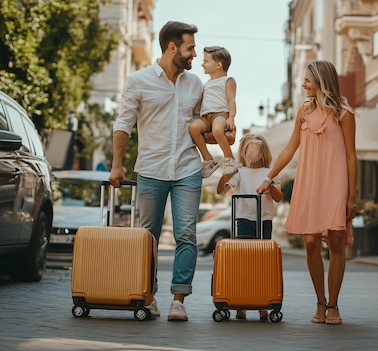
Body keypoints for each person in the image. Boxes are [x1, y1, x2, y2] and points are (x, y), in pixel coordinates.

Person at [108, 21, 203, 322]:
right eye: (190, 48)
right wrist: (116, 164)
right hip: (151, 168)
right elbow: (123, 125)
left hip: (187, 167)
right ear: (172, 47)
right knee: (148, 236)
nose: (195, 54)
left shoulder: (196, 84)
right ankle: (148, 296)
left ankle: (179, 300)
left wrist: (221, 131)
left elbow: (201, 127)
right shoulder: (138, 81)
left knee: (186, 234)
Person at [256, 60, 357, 325]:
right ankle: (320, 302)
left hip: (336, 184)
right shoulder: (303, 111)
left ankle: (334, 304)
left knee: (335, 241)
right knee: (310, 242)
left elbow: (351, 156)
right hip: (308, 183)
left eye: (308, 80)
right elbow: (290, 149)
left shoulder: (343, 114)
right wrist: (269, 177)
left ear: (322, 81)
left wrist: (351, 196)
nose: (303, 85)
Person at [217, 134, 282, 321]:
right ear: (244, 153)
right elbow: (221, 189)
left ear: (263, 152)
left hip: (264, 220)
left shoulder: (271, 173)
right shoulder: (240, 173)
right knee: (243, 261)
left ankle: (262, 303)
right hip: (244, 218)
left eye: (258, 150)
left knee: (262, 262)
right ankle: (241, 303)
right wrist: (227, 172)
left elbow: (278, 197)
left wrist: (270, 185)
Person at [189, 46, 237, 178]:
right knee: (193, 128)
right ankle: (208, 159)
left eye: (206, 61)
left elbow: (231, 100)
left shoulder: (228, 80)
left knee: (217, 130)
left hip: (220, 114)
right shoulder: (206, 84)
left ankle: (229, 159)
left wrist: (231, 118)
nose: (202, 64)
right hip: (206, 117)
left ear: (218, 64)